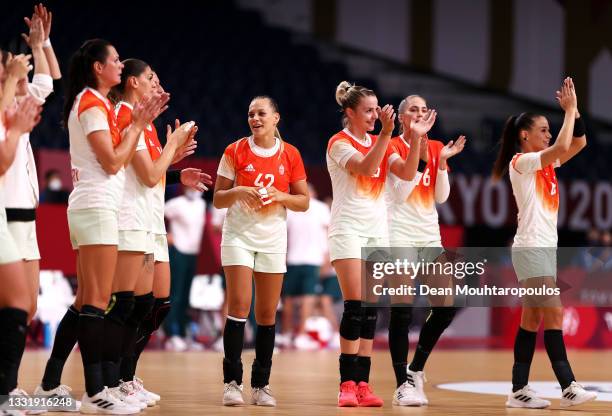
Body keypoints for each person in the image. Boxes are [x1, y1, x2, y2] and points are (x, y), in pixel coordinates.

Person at [42, 38, 167, 414]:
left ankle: (50, 383)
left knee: (87, 302)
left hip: (101, 208)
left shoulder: (103, 107)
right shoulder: (91, 103)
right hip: (96, 206)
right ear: (98, 68)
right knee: (100, 302)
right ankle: (96, 391)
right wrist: (139, 126)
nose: (119, 64)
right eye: (114, 59)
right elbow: (114, 163)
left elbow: (120, 156)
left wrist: (141, 125)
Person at [327, 81, 435, 407]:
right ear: (350, 113)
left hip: (377, 232)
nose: (375, 115)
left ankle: (363, 383)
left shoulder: (381, 141)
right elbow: (365, 167)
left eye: (376, 110)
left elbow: (405, 173)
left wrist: (415, 137)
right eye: (368, 111)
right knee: (355, 307)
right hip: (348, 231)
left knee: (372, 311)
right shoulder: (339, 143)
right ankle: (346, 382)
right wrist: (388, 136)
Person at [492, 77, 596, 408]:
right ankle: (569, 386)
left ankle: (518, 390)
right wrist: (567, 112)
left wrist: (575, 112)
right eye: (543, 130)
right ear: (525, 135)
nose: (549, 135)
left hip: (543, 250)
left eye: (550, 130)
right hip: (531, 250)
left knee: (532, 320)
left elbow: (578, 143)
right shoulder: (521, 163)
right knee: (554, 314)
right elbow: (563, 146)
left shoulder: (546, 167)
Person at [98, 58, 194, 409]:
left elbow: (153, 174)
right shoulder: (126, 116)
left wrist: (176, 164)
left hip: (150, 221)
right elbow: (149, 175)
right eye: (151, 78)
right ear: (134, 82)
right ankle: (108, 381)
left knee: (155, 306)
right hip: (131, 220)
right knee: (126, 305)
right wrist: (172, 152)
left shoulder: (147, 126)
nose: (158, 83)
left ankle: (125, 377)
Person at [214, 95, 308, 407]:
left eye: (261, 113)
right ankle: (231, 382)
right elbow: (217, 199)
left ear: (276, 118)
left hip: (272, 239)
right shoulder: (234, 150)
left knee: (267, 314)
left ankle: (261, 384)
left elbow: (303, 201)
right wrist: (238, 191)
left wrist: (281, 196)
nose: (255, 118)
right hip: (238, 235)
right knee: (239, 305)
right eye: (251, 113)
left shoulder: (290, 153)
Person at [385, 94, 465, 406]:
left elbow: (441, 197)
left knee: (446, 306)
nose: (419, 113)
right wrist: (417, 149)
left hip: (429, 235)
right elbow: (403, 191)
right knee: (401, 310)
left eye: (423, 109)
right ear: (402, 118)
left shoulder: (434, 147)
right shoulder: (391, 146)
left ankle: (415, 369)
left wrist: (442, 163)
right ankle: (400, 385)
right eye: (413, 110)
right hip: (399, 233)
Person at [0, 63, 43, 416]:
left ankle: (8, 389)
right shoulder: (7, 112)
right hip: (7, 215)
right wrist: (15, 130)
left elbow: (45, 81)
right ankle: (6, 391)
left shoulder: (13, 107)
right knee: (15, 305)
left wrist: (41, 45)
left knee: (24, 307)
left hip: (19, 216)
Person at [281, 183, 330, 350]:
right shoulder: (295, 208)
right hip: (303, 259)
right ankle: (295, 335)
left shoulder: (296, 207)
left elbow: (327, 232)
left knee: (295, 297)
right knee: (299, 297)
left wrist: (326, 256)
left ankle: (292, 334)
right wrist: (327, 257)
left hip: (302, 258)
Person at [163, 188, 206, 351]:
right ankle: (172, 334)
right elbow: (156, 215)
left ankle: (183, 333)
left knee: (186, 297)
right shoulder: (175, 204)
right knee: (176, 295)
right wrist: (166, 235)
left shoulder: (201, 204)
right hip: (178, 252)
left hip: (192, 253)